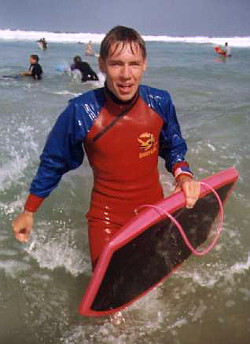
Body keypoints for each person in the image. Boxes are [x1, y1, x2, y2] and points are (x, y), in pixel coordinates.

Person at [12, 26, 200, 269]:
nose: (125, 74)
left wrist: (183, 174)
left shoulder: (160, 102)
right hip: (107, 219)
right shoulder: (81, 111)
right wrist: (29, 210)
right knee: (111, 301)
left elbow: (173, 145)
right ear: (101, 64)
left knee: (153, 288)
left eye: (134, 63)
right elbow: (54, 162)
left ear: (145, 64)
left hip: (154, 212)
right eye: (116, 64)